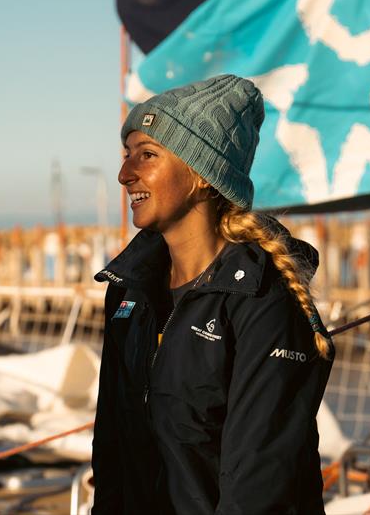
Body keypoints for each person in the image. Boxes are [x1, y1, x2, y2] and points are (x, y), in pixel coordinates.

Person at [91, 74, 334, 514]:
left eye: (147, 155)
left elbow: (258, 487)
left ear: (202, 175)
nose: (126, 174)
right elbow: (112, 458)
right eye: (127, 156)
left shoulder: (264, 301)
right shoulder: (128, 293)